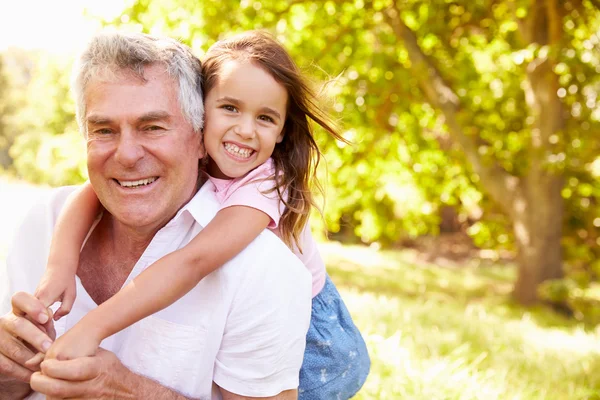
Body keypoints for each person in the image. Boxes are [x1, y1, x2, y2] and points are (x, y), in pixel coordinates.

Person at [31, 30, 371, 399]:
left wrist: (93, 326)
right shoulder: (198, 148)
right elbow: (91, 192)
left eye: (266, 118)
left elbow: (193, 261)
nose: (244, 130)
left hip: (318, 342)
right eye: (230, 108)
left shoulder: (264, 187)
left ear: (282, 133)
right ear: (199, 112)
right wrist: (60, 265)